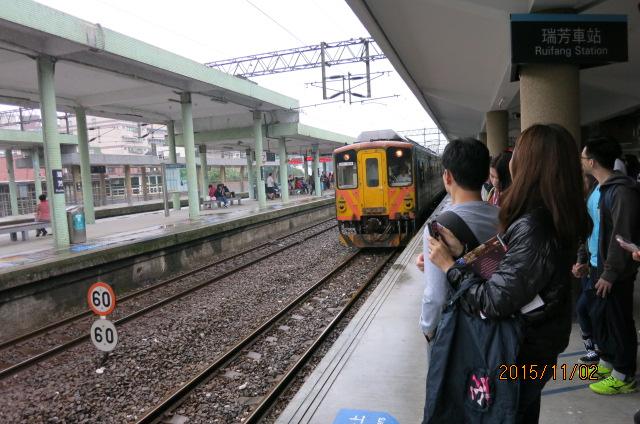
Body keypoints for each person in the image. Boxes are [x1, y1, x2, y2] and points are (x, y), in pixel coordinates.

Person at [428, 124, 591, 422]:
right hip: (540, 343)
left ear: (531, 164)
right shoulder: (553, 217)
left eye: (518, 152)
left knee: (509, 413)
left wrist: (449, 267)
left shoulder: (535, 227)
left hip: (521, 351)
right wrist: (463, 254)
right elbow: (514, 278)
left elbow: (493, 301)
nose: (512, 159)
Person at [415, 138, 499, 344]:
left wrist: (428, 328)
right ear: (486, 176)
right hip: (499, 324)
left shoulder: (439, 229)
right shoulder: (505, 216)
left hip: (462, 334)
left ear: (447, 176)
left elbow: (436, 296)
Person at [580, 136, 640, 395]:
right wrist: (583, 259)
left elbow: (621, 236)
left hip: (614, 271)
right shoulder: (598, 188)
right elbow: (591, 228)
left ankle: (624, 375)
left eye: (583, 157)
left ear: (592, 161)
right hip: (596, 265)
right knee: (599, 317)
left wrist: (610, 273)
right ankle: (607, 361)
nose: (581, 161)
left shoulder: (621, 191)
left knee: (618, 321)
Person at [572, 174, 601, 364]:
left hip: (599, 265)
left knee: (584, 308)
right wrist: (580, 261)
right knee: (585, 308)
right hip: (589, 262)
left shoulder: (599, 195)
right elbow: (585, 237)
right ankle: (593, 349)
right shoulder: (585, 199)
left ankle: (596, 349)